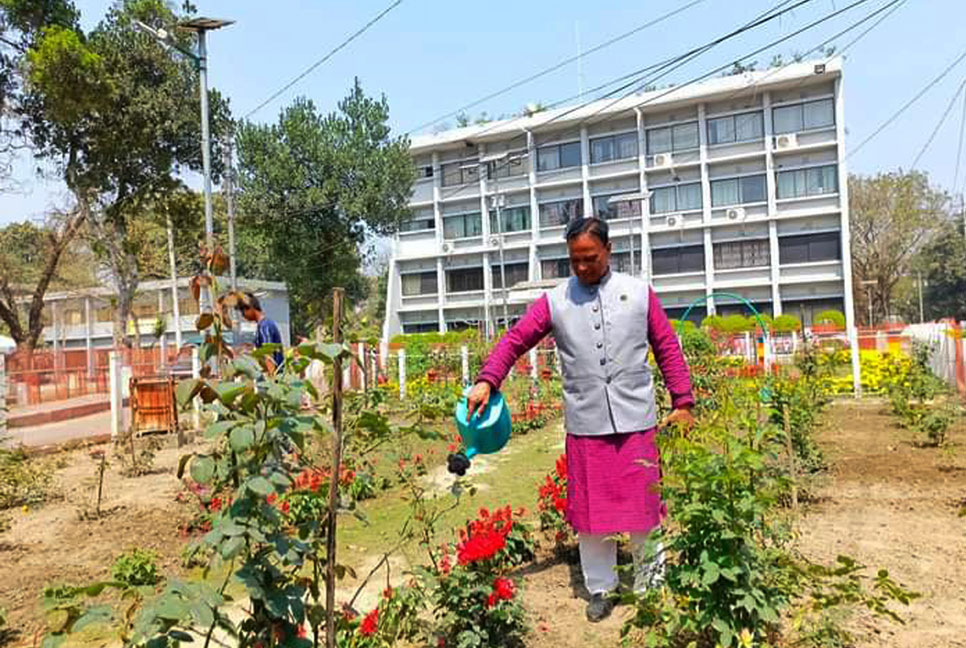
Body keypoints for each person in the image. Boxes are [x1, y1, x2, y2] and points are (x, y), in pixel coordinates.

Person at [466, 217, 695, 622]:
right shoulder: (555, 301)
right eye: (575, 261)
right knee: (592, 517)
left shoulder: (639, 293)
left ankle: (649, 587)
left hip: (636, 419)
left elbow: (667, 347)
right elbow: (516, 339)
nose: (583, 267)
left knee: (645, 510)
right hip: (586, 424)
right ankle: (601, 589)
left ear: (608, 250)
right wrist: (487, 379)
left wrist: (683, 402)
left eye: (590, 258)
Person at [238, 292, 284, 373]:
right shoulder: (265, 324)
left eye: (243, 311)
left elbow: (268, 354)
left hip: (275, 375)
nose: (243, 315)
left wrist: (271, 381)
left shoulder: (264, 326)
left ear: (251, 308)